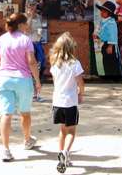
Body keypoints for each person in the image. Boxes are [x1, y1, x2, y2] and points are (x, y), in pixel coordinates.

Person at [0, 13, 42, 162]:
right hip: (23, 79)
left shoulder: (2, 38)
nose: (28, 26)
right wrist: (37, 81)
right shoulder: (26, 40)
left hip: (4, 79)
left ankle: (6, 150)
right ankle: (27, 140)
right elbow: (31, 62)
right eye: (26, 23)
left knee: (6, 114)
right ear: (21, 25)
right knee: (25, 113)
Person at [50, 32, 85, 172]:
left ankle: (61, 153)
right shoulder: (75, 64)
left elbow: (54, 83)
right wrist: (81, 93)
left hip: (57, 102)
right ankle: (66, 152)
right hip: (70, 102)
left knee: (62, 130)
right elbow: (80, 82)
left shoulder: (55, 65)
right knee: (71, 131)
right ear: (72, 48)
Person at [24, 0, 47, 102]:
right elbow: (26, 30)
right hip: (28, 45)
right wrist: (30, 17)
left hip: (37, 44)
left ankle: (36, 94)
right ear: (27, 5)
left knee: (39, 67)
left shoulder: (38, 17)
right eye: (31, 5)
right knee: (29, 69)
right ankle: (30, 94)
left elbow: (41, 30)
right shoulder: (24, 17)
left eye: (34, 5)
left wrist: (40, 34)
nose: (33, 7)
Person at [94, 1, 121, 77]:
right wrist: (98, 36)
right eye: (101, 11)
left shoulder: (111, 22)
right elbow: (105, 34)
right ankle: (109, 75)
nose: (102, 12)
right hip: (106, 44)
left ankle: (113, 77)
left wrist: (110, 46)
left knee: (111, 61)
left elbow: (112, 34)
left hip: (110, 45)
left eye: (104, 11)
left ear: (109, 13)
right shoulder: (105, 22)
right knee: (106, 61)